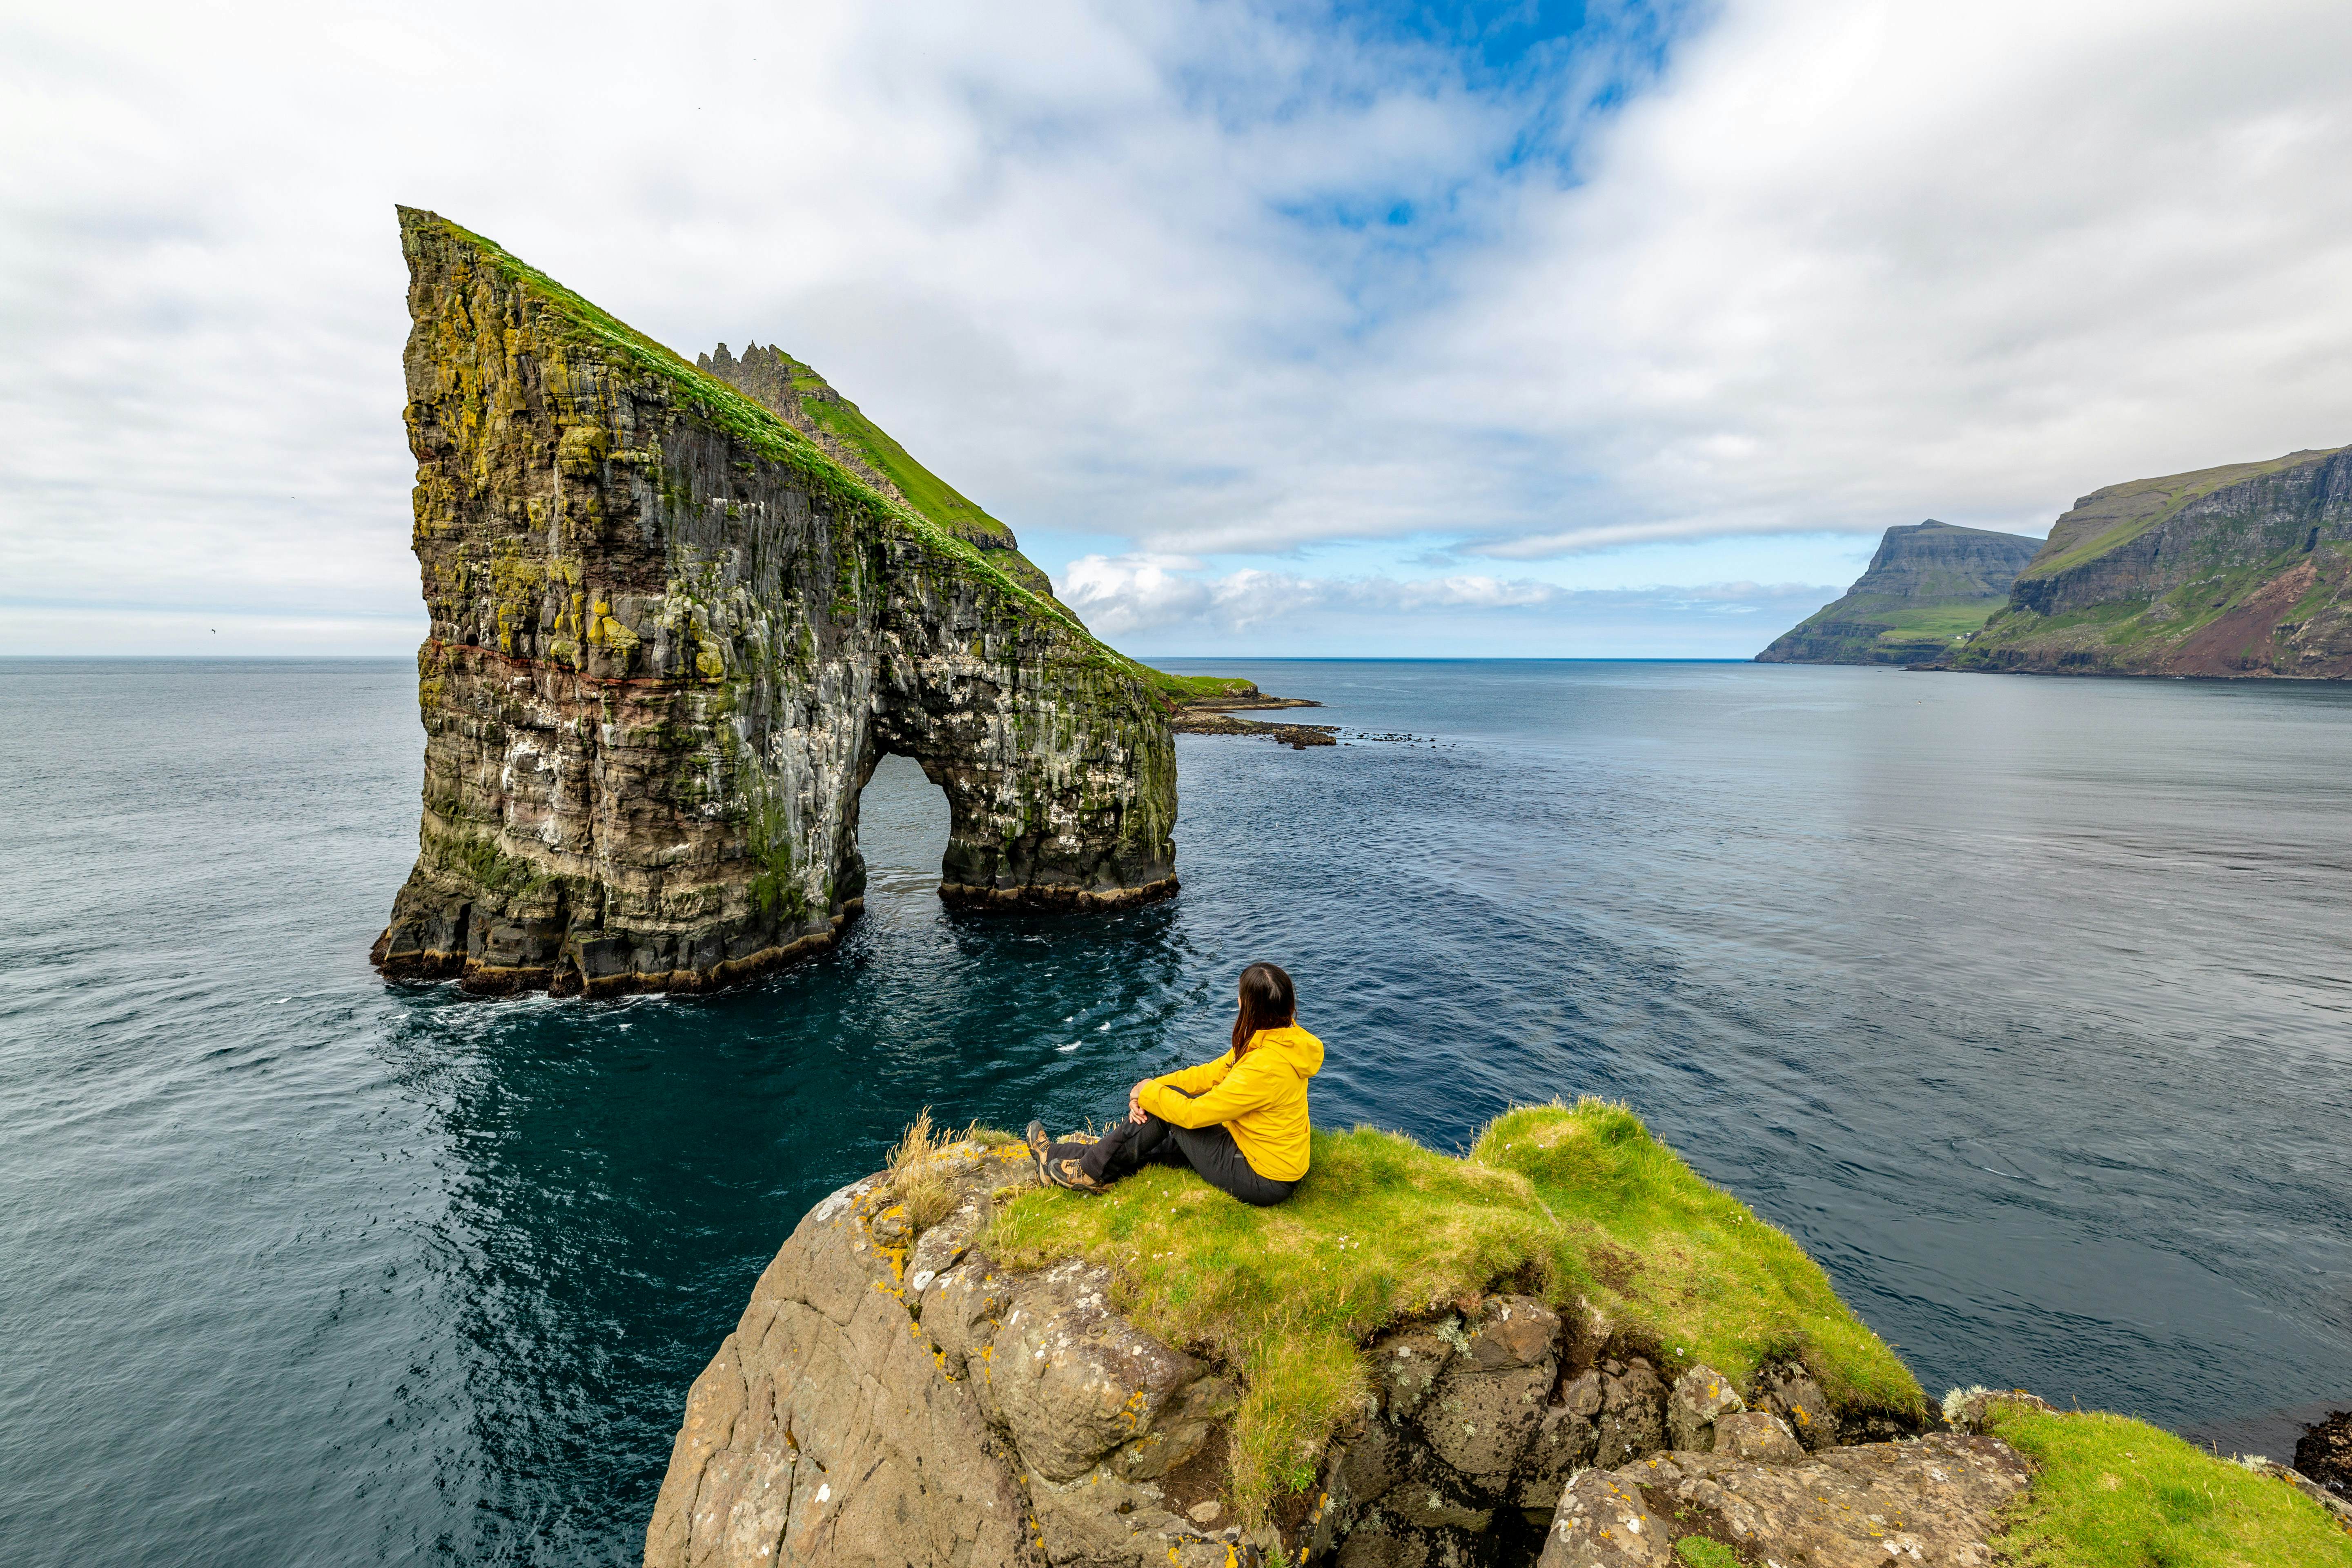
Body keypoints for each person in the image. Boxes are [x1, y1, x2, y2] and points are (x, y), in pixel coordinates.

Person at [1026, 962, 1321, 1207]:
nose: (1237, 1002)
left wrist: (1151, 1094)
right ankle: (1055, 1158)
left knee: (1170, 1114)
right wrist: (1149, 1086)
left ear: (1252, 1009)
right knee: (1156, 1141)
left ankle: (1088, 1173)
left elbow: (1193, 1114)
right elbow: (1209, 1074)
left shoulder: (1266, 1065)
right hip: (1252, 1147)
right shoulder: (1278, 1039)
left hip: (1264, 1177)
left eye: (1241, 997)